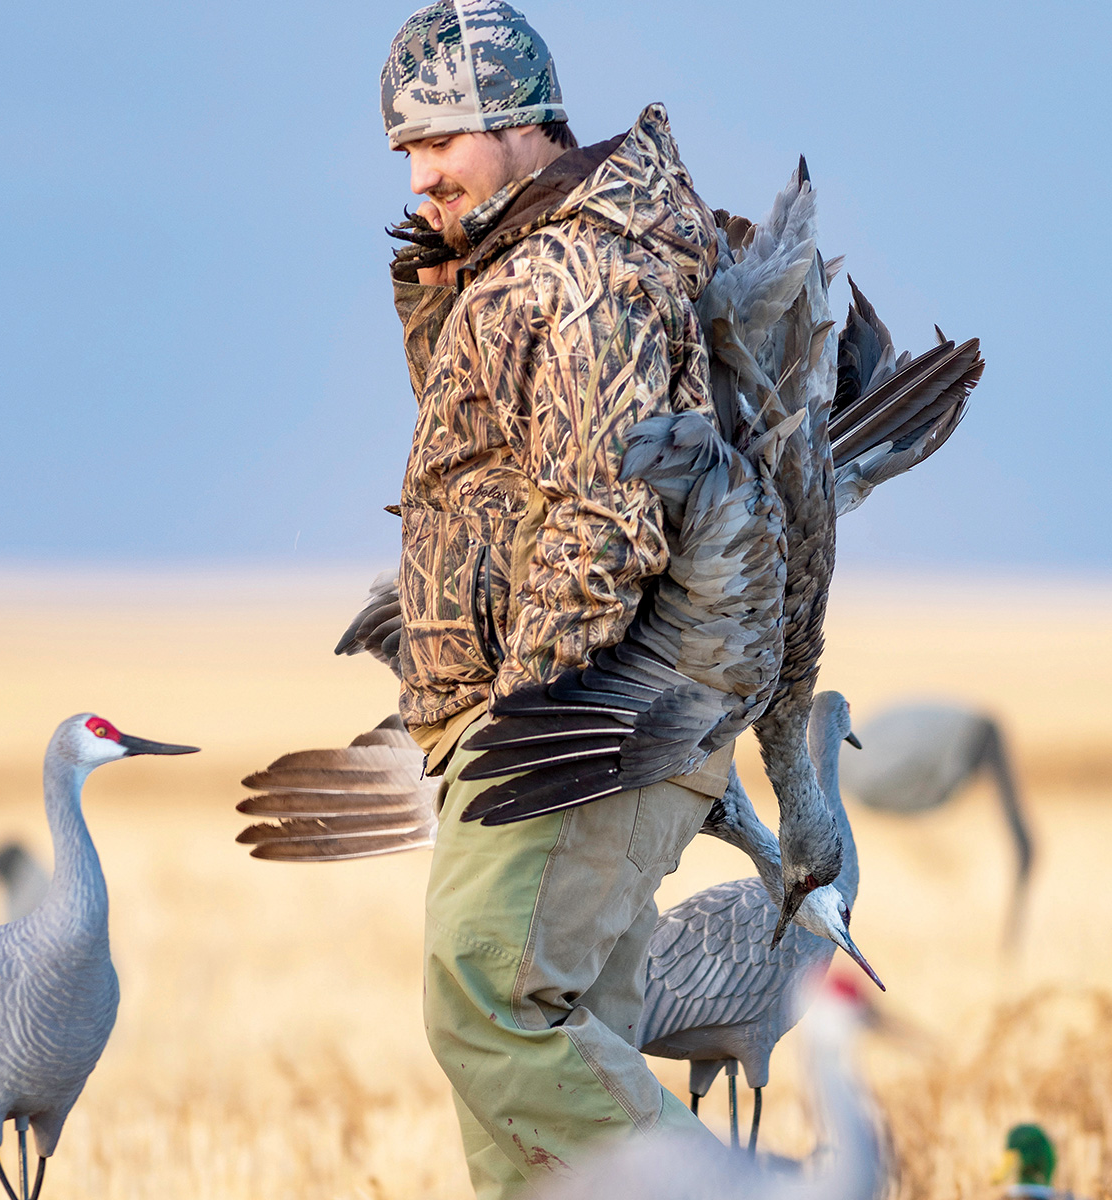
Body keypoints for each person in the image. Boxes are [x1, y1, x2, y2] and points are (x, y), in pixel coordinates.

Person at [381, 2, 732, 1193]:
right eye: (406, 154)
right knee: (542, 1113)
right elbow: (501, 474)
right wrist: (442, 299)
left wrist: (536, 713)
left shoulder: (582, 267)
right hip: (588, 719)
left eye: (442, 143)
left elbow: (603, 506)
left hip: (575, 719)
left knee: (488, 1010)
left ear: (523, 123)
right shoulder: (527, 264)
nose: (422, 175)